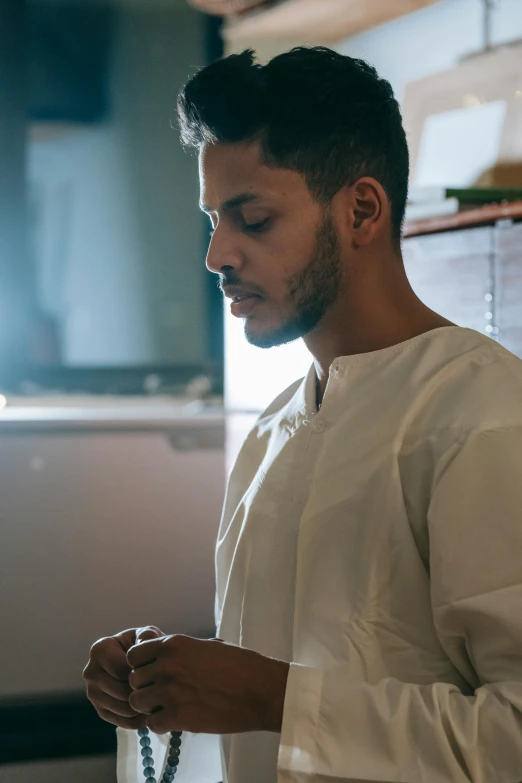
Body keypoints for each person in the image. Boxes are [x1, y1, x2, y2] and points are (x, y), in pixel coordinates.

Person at [83, 47, 522, 783]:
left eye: (251, 218)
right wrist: (166, 680)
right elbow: (283, 686)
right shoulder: (272, 431)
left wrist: (273, 697)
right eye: (214, 220)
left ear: (360, 211)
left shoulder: (484, 414)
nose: (217, 253)